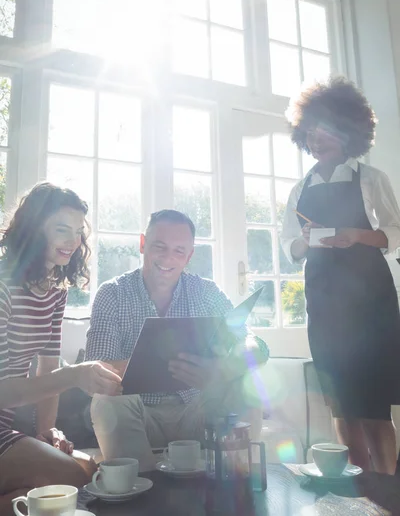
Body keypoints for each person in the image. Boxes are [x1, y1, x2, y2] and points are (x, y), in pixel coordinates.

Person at [86, 209, 269, 471]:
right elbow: (95, 372)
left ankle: (238, 484)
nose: (168, 258)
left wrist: (223, 369)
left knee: (248, 376)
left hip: (198, 409)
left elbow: (255, 344)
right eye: (159, 246)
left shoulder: (206, 292)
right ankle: (141, 488)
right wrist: (150, 364)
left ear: (190, 256)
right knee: (105, 397)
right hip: (137, 413)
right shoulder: (112, 294)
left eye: (179, 251)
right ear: (142, 244)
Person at [281, 77, 400, 474]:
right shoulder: (300, 189)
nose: (317, 139)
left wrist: (357, 236)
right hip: (325, 302)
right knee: (342, 401)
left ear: (349, 132)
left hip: (372, 304)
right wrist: (303, 240)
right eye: (310, 132)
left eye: (326, 129)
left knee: (374, 405)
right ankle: (359, 491)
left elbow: (395, 231)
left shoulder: (370, 178)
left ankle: (388, 489)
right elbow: (289, 248)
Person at [0, 183, 122, 513]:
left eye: (79, 231)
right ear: (33, 227)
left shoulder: (56, 290)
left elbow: (47, 370)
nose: (73, 241)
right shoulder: (3, 286)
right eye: (61, 229)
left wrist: (47, 433)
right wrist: (75, 376)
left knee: (88, 471)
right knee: (70, 477)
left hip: (5, 429)